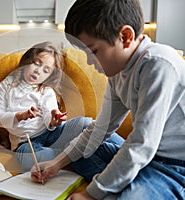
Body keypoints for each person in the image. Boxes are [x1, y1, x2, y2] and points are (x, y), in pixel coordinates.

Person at [31, 0, 185, 199]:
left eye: (93, 52)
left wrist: (90, 194)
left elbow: (142, 144)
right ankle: (119, 180)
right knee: (77, 139)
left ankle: (120, 185)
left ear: (125, 36)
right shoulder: (117, 74)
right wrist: (56, 164)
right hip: (148, 157)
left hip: (174, 166)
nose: (88, 62)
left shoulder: (158, 64)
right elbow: (100, 130)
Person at [0, 41, 92, 171]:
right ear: (28, 60)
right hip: (25, 142)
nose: (38, 71)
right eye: (37, 63)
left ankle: (122, 147)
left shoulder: (46, 90)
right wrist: (19, 116)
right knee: (27, 158)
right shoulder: (7, 84)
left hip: (52, 133)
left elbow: (49, 113)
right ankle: (75, 151)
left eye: (46, 70)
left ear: (50, 76)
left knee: (86, 123)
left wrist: (53, 120)